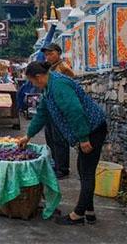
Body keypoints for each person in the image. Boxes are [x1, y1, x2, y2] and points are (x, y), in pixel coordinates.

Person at [17, 61, 107, 225]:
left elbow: (75, 111)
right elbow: (41, 114)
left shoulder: (58, 86)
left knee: (86, 171)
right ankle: (89, 211)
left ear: (38, 77)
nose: (32, 85)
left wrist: (84, 138)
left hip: (93, 129)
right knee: (83, 169)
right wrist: (28, 136)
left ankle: (78, 215)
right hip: (88, 130)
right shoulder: (48, 88)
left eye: (31, 81)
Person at [41, 43, 75, 179]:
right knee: (50, 137)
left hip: (60, 108)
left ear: (58, 53)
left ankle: (63, 168)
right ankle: (56, 164)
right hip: (50, 106)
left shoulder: (63, 67)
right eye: (46, 54)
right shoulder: (50, 68)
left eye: (51, 53)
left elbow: (69, 86)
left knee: (59, 138)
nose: (48, 56)